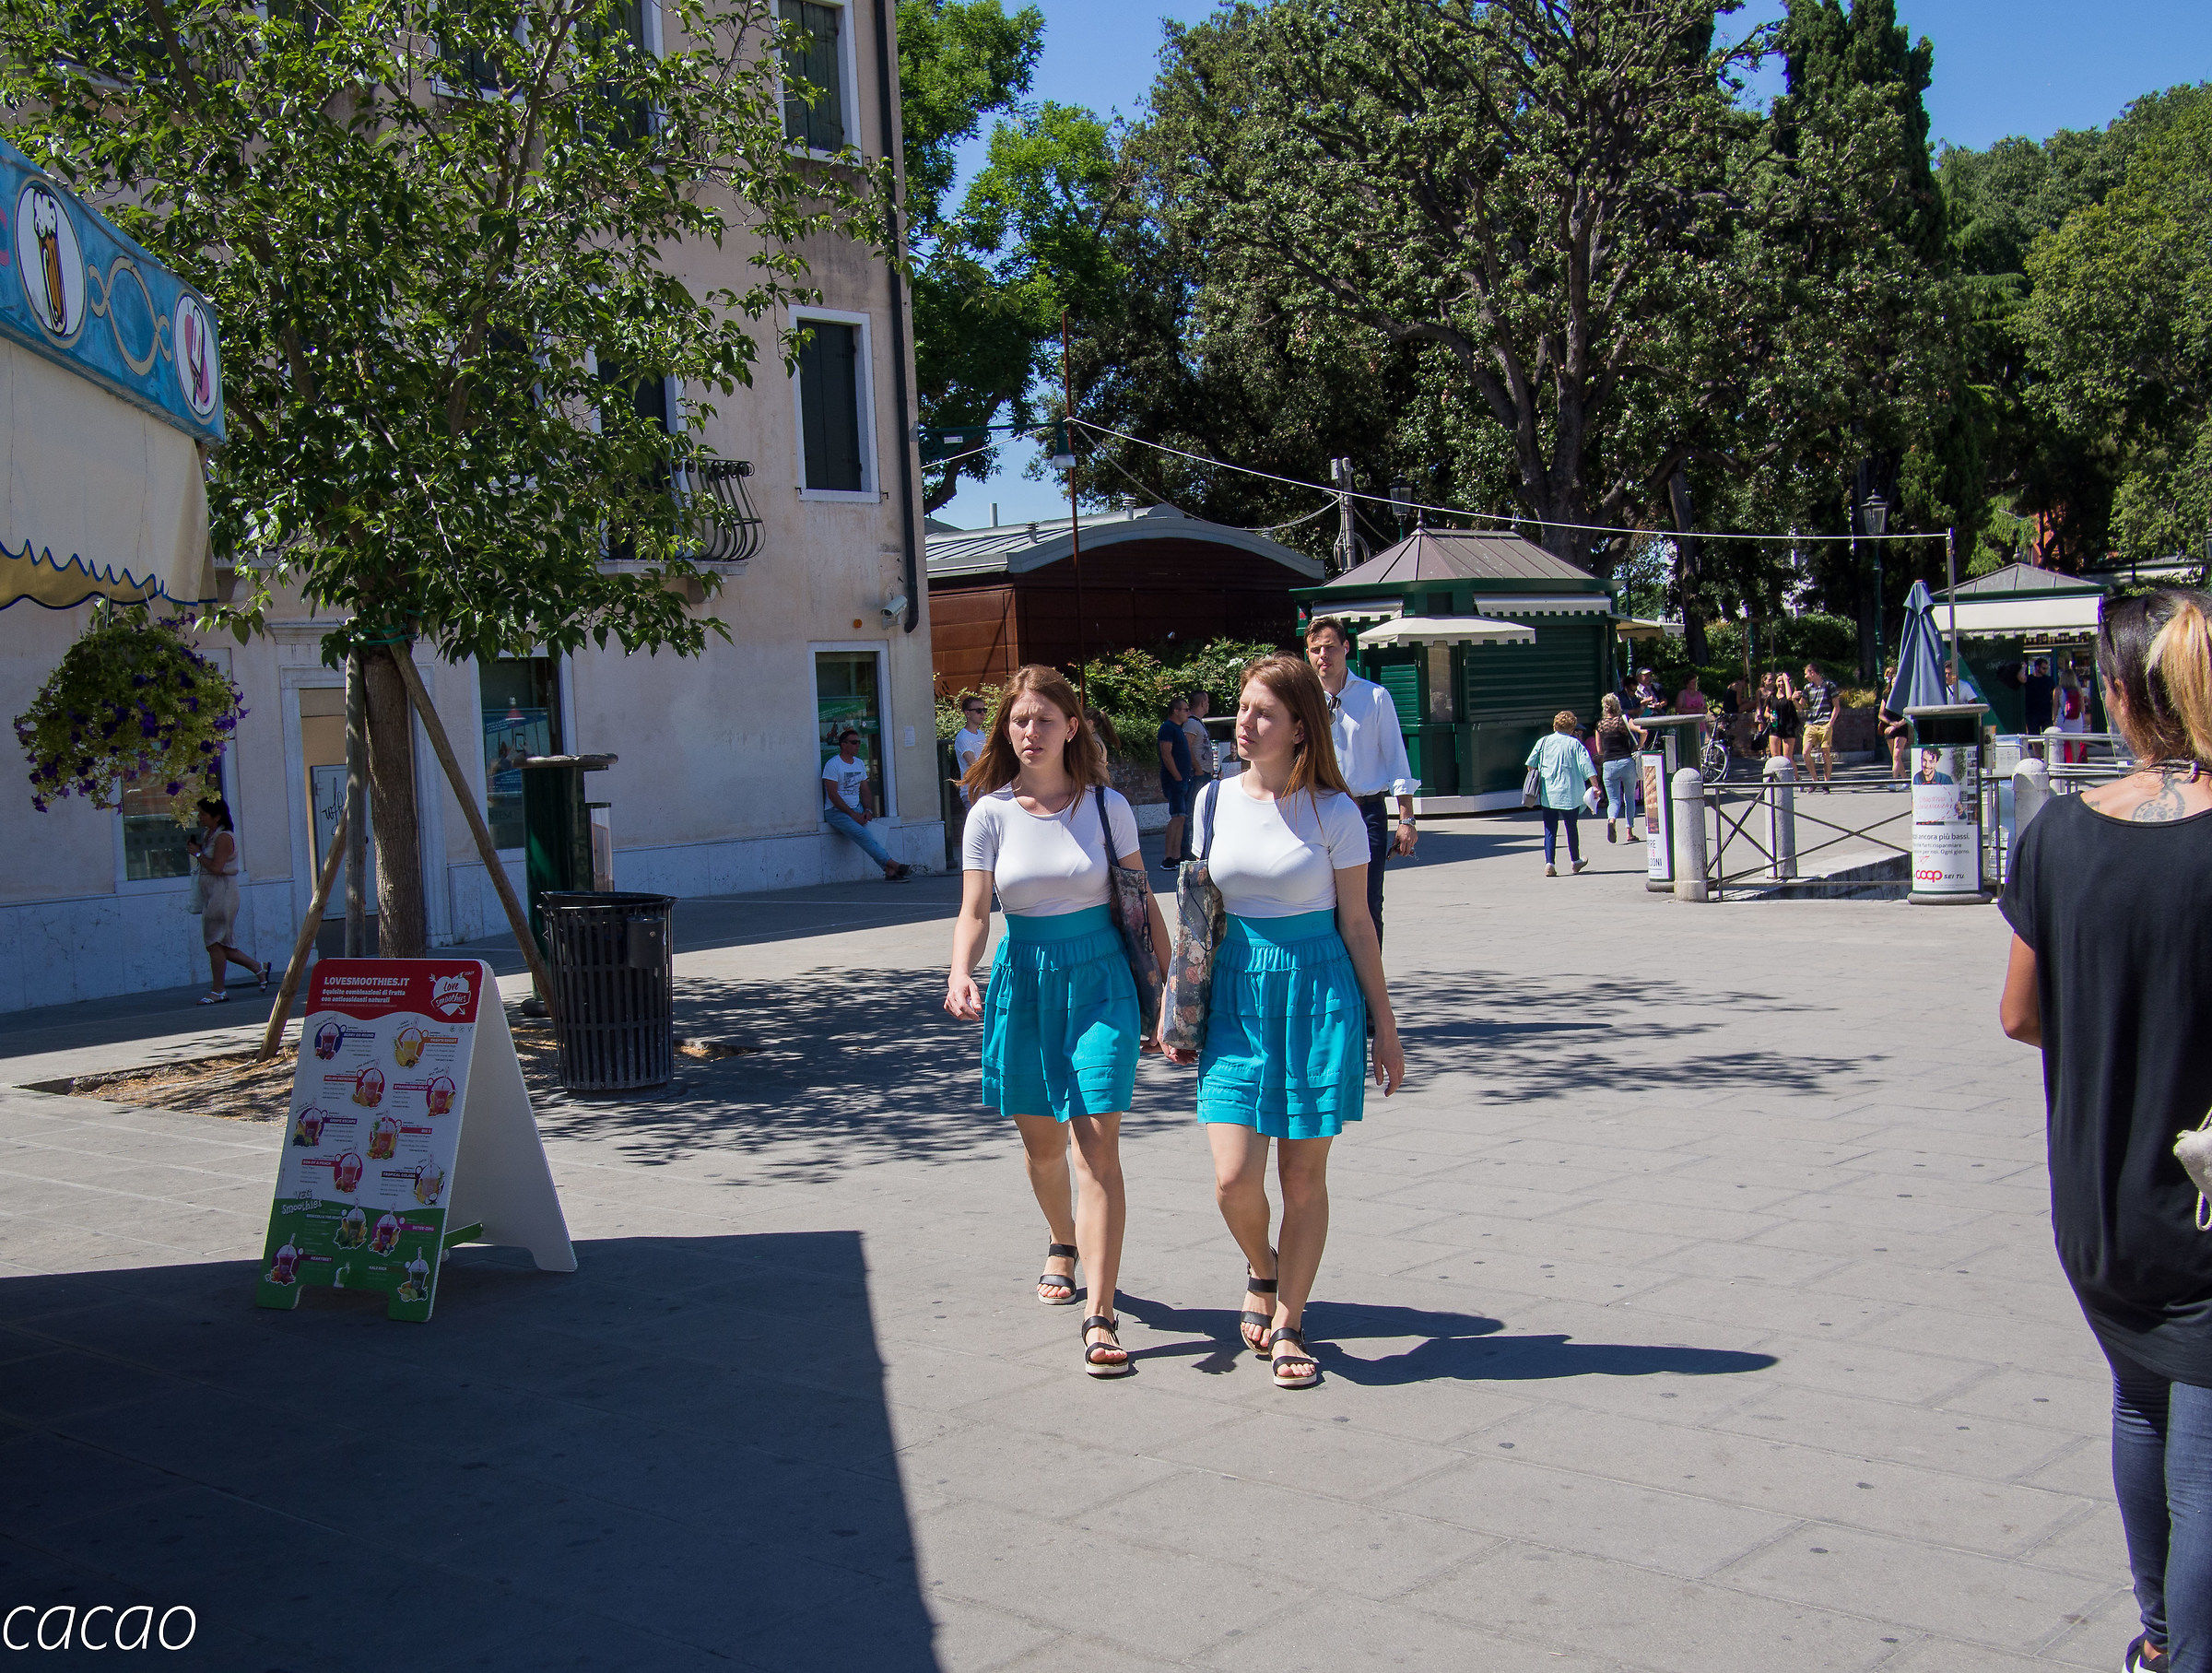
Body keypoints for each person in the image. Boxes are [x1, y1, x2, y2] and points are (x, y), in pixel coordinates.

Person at [1999, 586, 2212, 1673]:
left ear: (2119, 695)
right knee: (2207, 1447)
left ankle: (2160, 1640)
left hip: (2092, 1195)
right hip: (2200, 1206)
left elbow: (2019, 1014)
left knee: (2141, 1403)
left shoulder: (2057, 836)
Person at [1159, 655, 1404, 1390]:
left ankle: (1291, 1319)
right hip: (1236, 993)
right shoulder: (1211, 802)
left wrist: (1384, 1029)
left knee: (1302, 1174)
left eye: (1264, 711)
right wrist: (1178, 1005)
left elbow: (1359, 925)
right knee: (1233, 1178)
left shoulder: (1337, 812)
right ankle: (1262, 1267)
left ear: (1301, 727)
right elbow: (1200, 915)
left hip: (1319, 992)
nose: (1245, 720)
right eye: (1242, 706)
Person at [947, 666, 1173, 1378]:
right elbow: (976, 910)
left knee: (1096, 1146)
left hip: (1101, 978)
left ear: (1072, 726)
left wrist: (1171, 990)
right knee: (1043, 1146)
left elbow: (1141, 901)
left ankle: (1099, 1314)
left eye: (1044, 719)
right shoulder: (988, 814)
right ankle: (1061, 1237)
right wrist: (961, 969)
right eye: (1018, 721)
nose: (1029, 732)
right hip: (1027, 981)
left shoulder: (1107, 806)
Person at [1303, 618, 1417, 947]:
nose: (1323, 656)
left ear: (1346, 648)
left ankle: (1368, 992)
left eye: (1330, 648)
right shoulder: (1301, 702)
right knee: (1320, 905)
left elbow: (1397, 759)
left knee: (1367, 904)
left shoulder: (1375, 697)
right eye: (1315, 650)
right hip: (1315, 812)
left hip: (1365, 813)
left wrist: (1406, 819)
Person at [184, 797, 265, 1004]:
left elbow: (216, 867)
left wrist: (198, 853)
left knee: (213, 943)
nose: (200, 818)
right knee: (222, 944)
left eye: (203, 814)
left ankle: (218, 990)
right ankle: (258, 967)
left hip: (223, 894)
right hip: (212, 894)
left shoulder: (224, 837)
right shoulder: (209, 835)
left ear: (217, 816)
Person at [821, 730, 912, 881]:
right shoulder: (833, 764)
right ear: (843, 745)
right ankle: (894, 865)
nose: (857, 745)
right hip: (836, 812)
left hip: (856, 809)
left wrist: (867, 810)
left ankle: (889, 872)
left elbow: (865, 790)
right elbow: (833, 795)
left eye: (859, 742)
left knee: (873, 836)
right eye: (854, 742)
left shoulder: (859, 763)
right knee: (863, 835)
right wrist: (852, 815)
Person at [1524, 711, 1599, 877]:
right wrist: (1595, 786)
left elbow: (1530, 765)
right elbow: (1587, 767)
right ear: (1572, 728)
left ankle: (1549, 863)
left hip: (1549, 793)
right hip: (1570, 794)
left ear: (1555, 725)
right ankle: (1575, 861)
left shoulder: (1543, 742)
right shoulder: (1575, 744)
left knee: (1550, 829)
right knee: (1571, 827)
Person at [1593, 693, 1646, 844]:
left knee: (1613, 800)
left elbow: (1599, 750)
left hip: (1609, 764)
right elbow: (1643, 732)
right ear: (1617, 706)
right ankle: (1629, 831)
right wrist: (1639, 746)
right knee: (1629, 798)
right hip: (1626, 761)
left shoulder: (1599, 725)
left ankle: (1611, 820)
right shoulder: (1624, 720)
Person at [1157, 696, 1194, 868]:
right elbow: (1166, 754)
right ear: (1176, 711)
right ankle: (1169, 857)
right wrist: (1177, 776)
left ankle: (1176, 856)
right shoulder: (1167, 728)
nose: (1188, 712)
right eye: (1185, 709)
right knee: (1177, 817)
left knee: (1181, 818)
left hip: (1181, 779)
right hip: (1175, 781)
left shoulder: (1177, 728)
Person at [1800, 662, 1840, 788]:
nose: (1805, 676)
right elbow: (1801, 707)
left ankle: (1826, 782)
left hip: (1825, 722)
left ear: (1813, 672)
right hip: (1811, 723)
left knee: (1825, 752)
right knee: (1805, 752)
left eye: (1807, 673)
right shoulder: (1807, 688)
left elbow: (1836, 707)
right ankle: (1815, 780)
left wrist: (1830, 723)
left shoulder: (1829, 686)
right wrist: (1794, 699)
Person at [951, 697, 990, 807]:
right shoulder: (963, 737)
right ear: (967, 713)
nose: (982, 713)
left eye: (984, 710)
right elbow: (973, 764)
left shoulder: (982, 735)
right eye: (978, 711)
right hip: (971, 793)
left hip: (985, 791)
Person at [1877, 663, 1910, 787]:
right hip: (1890, 728)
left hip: (1901, 728)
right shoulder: (1886, 695)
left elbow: (1908, 715)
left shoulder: (1904, 696)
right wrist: (1891, 723)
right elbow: (1881, 714)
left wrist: (1897, 725)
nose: (1894, 684)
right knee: (1895, 757)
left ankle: (1893, 781)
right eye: (1893, 682)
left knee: (1896, 754)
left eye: (1897, 682)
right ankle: (1905, 779)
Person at [1182, 690, 1217, 794]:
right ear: (1202, 703)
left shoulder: (1197, 722)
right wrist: (1198, 769)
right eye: (1207, 702)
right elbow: (1186, 747)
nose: (1208, 705)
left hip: (1203, 773)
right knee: (1193, 807)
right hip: (1197, 775)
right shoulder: (1191, 723)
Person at [1768, 672, 1801, 764]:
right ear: (1775, 683)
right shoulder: (1772, 697)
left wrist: (1787, 681)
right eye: (1779, 681)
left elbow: (1789, 697)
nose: (1781, 683)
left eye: (1783, 681)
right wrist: (1770, 716)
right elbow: (1766, 712)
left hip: (1788, 727)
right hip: (1775, 726)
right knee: (1775, 756)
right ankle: (1776, 777)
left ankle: (1796, 778)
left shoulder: (1791, 695)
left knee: (1787, 758)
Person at [2058, 670, 2090, 765]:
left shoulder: (2058, 690)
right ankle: (2075, 764)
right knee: (2076, 742)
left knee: (2061, 742)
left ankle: (2063, 763)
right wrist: (2082, 717)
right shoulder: (2078, 690)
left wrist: (2054, 718)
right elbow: (2082, 706)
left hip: (2063, 718)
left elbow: (2055, 706)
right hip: (2077, 718)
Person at [2024, 656, 2056, 736]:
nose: (2045, 670)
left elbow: (2054, 695)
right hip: (2032, 713)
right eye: (2043, 668)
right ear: (2037, 667)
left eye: (2046, 668)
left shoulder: (2049, 680)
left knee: (2049, 736)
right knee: (2035, 737)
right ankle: (2037, 750)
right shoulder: (2029, 680)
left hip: (2046, 713)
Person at [1675, 671, 1709, 737]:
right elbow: (1678, 709)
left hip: (1700, 726)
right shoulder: (1682, 694)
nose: (1695, 684)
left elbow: (1705, 709)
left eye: (1695, 682)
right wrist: (1693, 711)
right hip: (1687, 725)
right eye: (1693, 682)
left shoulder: (1699, 694)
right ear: (1687, 683)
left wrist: (1701, 711)